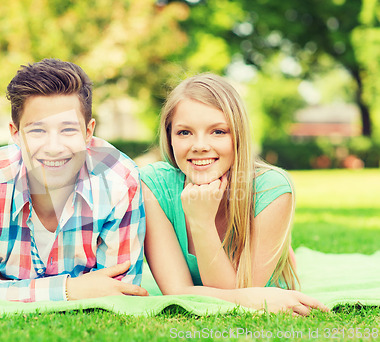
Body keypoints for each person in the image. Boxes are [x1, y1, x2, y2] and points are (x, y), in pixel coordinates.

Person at [0, 58, 148, 302]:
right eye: (37, 130)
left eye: (68, 130)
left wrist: (0, 287)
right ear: (15, 134)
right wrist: (70, 289)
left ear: (88, 132)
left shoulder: (119, 181)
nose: (53, 147)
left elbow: (118, 289)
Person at [141, 73, 328, 316]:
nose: (199, 145)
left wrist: (202, 224)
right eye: (184, 132)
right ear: (169, 138)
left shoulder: (272, 188)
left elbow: (242, 294)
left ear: (238, 135)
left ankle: (284, 256)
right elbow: (177, 290)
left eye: (218, 132)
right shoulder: (154, 184)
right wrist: (200, 220)